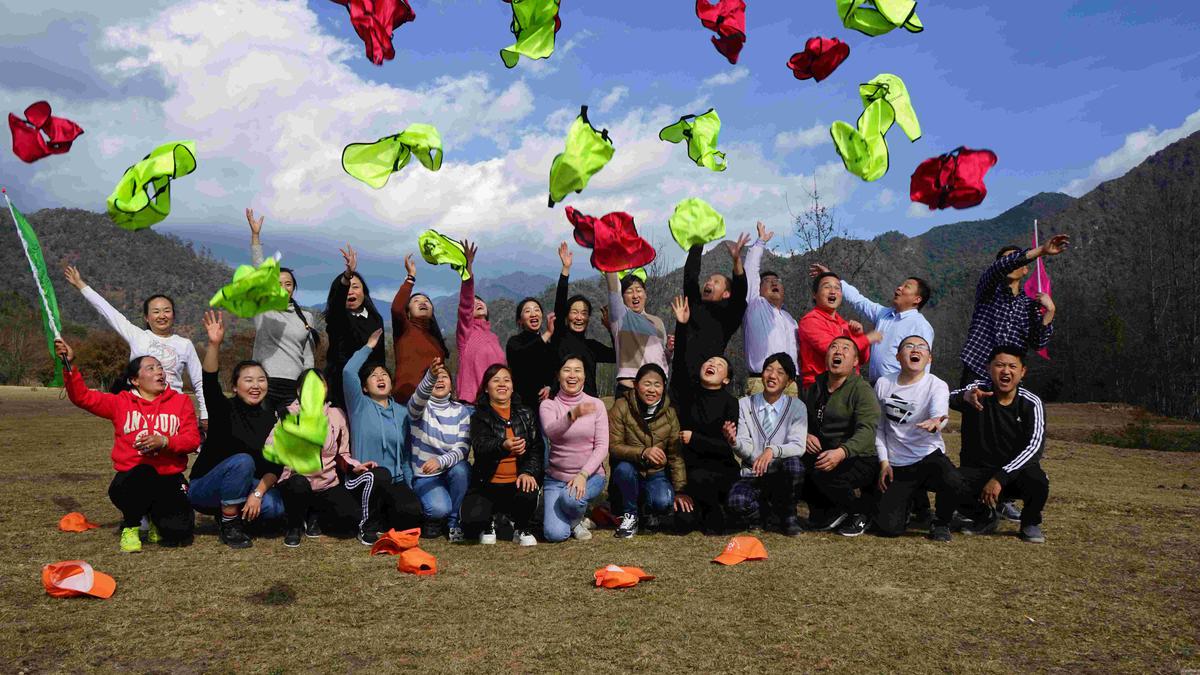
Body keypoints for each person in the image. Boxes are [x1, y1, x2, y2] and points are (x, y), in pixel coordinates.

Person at [57, 338, 200, 552]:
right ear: (135, 380)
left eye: (160, 368)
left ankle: (154, 517)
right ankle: (131, 525)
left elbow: (192, 440)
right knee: (141, 473)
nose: (159, 372)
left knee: (179, 533)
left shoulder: (180, 402)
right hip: (133, 477)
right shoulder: (120, 402)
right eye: (151, 368)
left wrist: (165, 441)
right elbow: (82, 397)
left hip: (169, 476)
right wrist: (69, 364)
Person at [63, 264, 207, 430]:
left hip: (173, 411)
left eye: (166, 311)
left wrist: (205, 414)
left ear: (173, 315)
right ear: (146, 317)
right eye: (156, 311)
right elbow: (109, 312)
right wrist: (81, 285)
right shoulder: (138, 336)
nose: (162, 316)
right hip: (139, 410)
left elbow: (200, 381)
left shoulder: (185, 344)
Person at [187, 311, 283, 549]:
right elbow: (209, 381)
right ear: (235, 386)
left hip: (246, 483)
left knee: (275, 508)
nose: (256, 385)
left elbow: (275, 466)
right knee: (242, 461)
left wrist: (258, 494)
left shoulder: (271, 418)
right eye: (248, 380)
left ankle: (235, 511)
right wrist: (214, 344)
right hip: (206, 488)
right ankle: (230, 523)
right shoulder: (223, 409)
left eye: (261, 380)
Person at [273, 369, 393, 548]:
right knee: (298, 484)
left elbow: (342, 453)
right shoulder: (288, 414)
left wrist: (355, 466)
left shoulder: (337, 414)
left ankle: (315, 514)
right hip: (297, 481)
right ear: (299, 391)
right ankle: (294, 526)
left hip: (327, 484)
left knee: (349, 520)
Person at [950, 346, 1049, 544]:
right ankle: (983, 516)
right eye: (1000, 365)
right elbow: (944, 396)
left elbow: (1034, 447)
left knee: (1038, 481)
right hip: (978, 471)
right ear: (989, 368)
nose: (1006, 371)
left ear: (1022, 371)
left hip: (1015, 473)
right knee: (948, 481)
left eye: (1012, 366)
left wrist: (1000, 477)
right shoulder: (978, 390)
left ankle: (1030, 522)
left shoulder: (1031, 403)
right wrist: (965, 396)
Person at [873, 336, 963, 542]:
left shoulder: (936, 384)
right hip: (897, 463)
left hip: (927, 456)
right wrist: (884, 462)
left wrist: (936, 422)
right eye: (909, 346)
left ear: (929, 358)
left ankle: (941, 522)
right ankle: (912, 501)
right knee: (888, 528)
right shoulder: (883, 383)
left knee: (954, 481)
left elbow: (940, 413)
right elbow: (879, 428)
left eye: (922, 347)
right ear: (898, 356)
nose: (915, 350)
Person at [959, 235, 1070, 387]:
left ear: (1025, 269)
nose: (1011, 263)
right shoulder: (988, 291)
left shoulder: (1030, 305)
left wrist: (1050, 312)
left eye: (1016, 260)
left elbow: (1038, 343)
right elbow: (1000, 267)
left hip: (1010, 377)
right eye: (1006, 260)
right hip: (977, 368)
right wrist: (1042, 250)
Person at [342, 329, 424, 532]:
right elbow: (348, 372)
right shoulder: (359, 405)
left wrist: (409, 488)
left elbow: (405, 456)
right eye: (374, 376)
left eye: (384, 375)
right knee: (380, 475)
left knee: (412, 513)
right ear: (364, 388)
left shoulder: (402, 412)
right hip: (367, 479)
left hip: (395, 481)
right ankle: (369, 523)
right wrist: (369, 346)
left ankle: (384, 516)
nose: (381, 378)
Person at [672, 297, 741, 535]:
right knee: (682, 524)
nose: (712, 364)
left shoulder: (731, 403)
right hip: (691, 470)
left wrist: (695, 439)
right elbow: (680, 361)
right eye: (710, 361)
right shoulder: (688, 394)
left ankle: (715, 511)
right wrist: (682, 325)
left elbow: (724, 448)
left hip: (721, 470)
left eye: (719, 365)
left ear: (726, 379)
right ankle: (701, 511)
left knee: (703, 480)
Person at [801, 337, 881, 537]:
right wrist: (805, 434)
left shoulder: (861, 390)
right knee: (795, 467)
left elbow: (867, 430)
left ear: (855, 361)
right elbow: (803, 419)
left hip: (858, 456)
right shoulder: (816, 386)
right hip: (824, 451)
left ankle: (860, 512)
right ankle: (830, 511)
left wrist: (842, 452)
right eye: (833, 347)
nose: (838, 351)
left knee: (825, 473)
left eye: (846, 349)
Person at [808, 262, 934, 385]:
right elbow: (858, 301)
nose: (899, 288)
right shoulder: (884, 314)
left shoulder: (920, 326)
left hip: (899, 389)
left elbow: (923, 365)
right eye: (901, 285)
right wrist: (832, 278)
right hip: (876, 387)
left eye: (907, 287)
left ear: (917, 299)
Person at [245, 208, 319, 412]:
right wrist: (255, 237)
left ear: (293, 288)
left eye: (288, 284)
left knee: (289, 431)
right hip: (264, 383)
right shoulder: (264, 310)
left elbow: (308, 356)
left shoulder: (306, 317)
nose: (284, 288)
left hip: (294, 386)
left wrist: (308, 384)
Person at [462, 364, 544, 546]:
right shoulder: (479, 416)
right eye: (496, 380)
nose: (502, 384)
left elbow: (537, 449)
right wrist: (503, 445)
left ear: (512, 387)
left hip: (517, 482)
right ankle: (490, 521)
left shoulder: (526, 414)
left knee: (528, 490)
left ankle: (520, 527)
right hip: (487, 483)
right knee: (471, 522)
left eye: (506, 380)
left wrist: (528, 472)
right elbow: (481, 445)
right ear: (486, 388)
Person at [727, 353, 807, 536]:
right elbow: (745, 446)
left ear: (789, 381)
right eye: (768, 370)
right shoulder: (744, 404)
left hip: (781, 472)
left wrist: (772, 450)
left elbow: (798, 446)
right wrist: (735, 442)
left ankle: (788, 516)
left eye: (780, 372)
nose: (772, 376)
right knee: (736, 502)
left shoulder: (797, 407)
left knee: (794, 465)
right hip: (753, 473)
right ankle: (760, 515)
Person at [608, 363, 685, 539]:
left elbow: (675, 456)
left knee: (664, 502)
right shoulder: (621, 406)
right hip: (630, 468)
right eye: (647, 384)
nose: (652, 390)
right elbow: (613, 446)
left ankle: (648, 511)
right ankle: (630, 515)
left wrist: (680, 489)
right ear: (636, 385)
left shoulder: (670, 413)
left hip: (656, 472)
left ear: (664, 387)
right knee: (624, 470)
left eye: (657, 385)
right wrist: (643, 452)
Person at [539, 355, 609, 543]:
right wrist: (573, 415)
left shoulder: (597, 405)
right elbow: (551, 432)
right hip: (556, 478)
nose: (572, 375)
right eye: (567, 370)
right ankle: (576, 521)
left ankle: (575, 513)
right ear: (558, 375)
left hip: (590, 476)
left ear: (584, 376)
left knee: (571, 499)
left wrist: (583, 475)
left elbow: (602, 446)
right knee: (554, 534)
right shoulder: (548, 405)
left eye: (578, 370)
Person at [673, 232, 748, 401]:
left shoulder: (728, 316)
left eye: (716, 282)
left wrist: (737, 261)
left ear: (726, 293)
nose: (708, 282)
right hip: (678, 384)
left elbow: (740, 292)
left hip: (706, 386)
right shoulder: (693, 305)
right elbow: (690, 276)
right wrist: (698, 243)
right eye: (709, 280)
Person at [407, 357, 472, 542]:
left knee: (461, 469)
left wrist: (440, 461)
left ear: (451, 385)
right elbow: (416, 401)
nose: (440, 380)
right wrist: (430, 375)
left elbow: (462, 448)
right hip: (426, 475)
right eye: (436, 377)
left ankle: (454, 522)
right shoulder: (420, 409)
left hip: (451, 470)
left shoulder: (461, 411)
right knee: (438, 509)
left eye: (444, 377)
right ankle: (437, 515)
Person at [324, 244, 384, 409]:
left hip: (370, 389)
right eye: (347, 288)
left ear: (364, 292)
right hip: (341, 388)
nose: (350, 291)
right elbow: (337, 302)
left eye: (356, 287)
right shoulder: (337, 317)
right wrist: (347, 275)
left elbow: (380, 357)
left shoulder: (376, 319)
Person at [552, 242, 615, 397]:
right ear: (567, 316)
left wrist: (611, 329)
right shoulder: (560, 337)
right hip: (562, 403)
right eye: (575, 312)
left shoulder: (592, 346)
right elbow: (559, 305)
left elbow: (616, 356)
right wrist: (565, 270)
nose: (579, 317)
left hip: (589, 404)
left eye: (584, 313)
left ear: (588, 317)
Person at [742, 222, 798, 396]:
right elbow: (750, 271)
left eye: (777, 281)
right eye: (767, 281)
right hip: (761, 383)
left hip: (791, 385)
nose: (774, 283)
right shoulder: (755, 305)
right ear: (758, 288)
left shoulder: (790, 320)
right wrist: (760, 243)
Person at [797, 270, 872, 389]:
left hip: (848, 385)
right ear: (814, 294)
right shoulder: (810, 321)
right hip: (821, 388)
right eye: (827, 287)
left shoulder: (845, 325)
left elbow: (863, 359)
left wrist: (859, 335)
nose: (833, 291)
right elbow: (834, 351)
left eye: (837, 288)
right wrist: (862, 340)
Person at [390, 254, 449, 403]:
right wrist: (410, 277)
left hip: (433, 403)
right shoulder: (404, 330)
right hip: (405, 401)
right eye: (416, 301)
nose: (423, 303)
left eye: (427, 301)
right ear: (408, 312)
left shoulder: (437, 342)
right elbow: (397, 308)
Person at [455, 240, 507, 405]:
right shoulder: (466, 333)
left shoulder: (493, 337)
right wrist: (468, 269)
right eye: (473, 302)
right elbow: (465, 303)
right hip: (472, 404)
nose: (477, 303)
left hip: (495, 403)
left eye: (480, 301)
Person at [606, 270, 668, 396]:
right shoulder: (621, 318)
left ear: (645, 294)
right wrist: (611, 265)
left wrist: (670, 351)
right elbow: (613, 289)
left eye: (639, 290)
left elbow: (664, 359)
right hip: (629, 389)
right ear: (622, 297)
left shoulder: (658, 322)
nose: (635, 295)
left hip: (657, 390)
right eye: (629, 291)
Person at [505, 297, 556, 406]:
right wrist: (548, 333)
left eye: (537, 310)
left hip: (546, 405)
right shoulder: (514, 342)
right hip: (521, 405)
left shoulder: (548, 345)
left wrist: (549, 387)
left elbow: (555, 373)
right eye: (527, 311)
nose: (533, 314)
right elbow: (525, 356)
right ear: (520, 321)